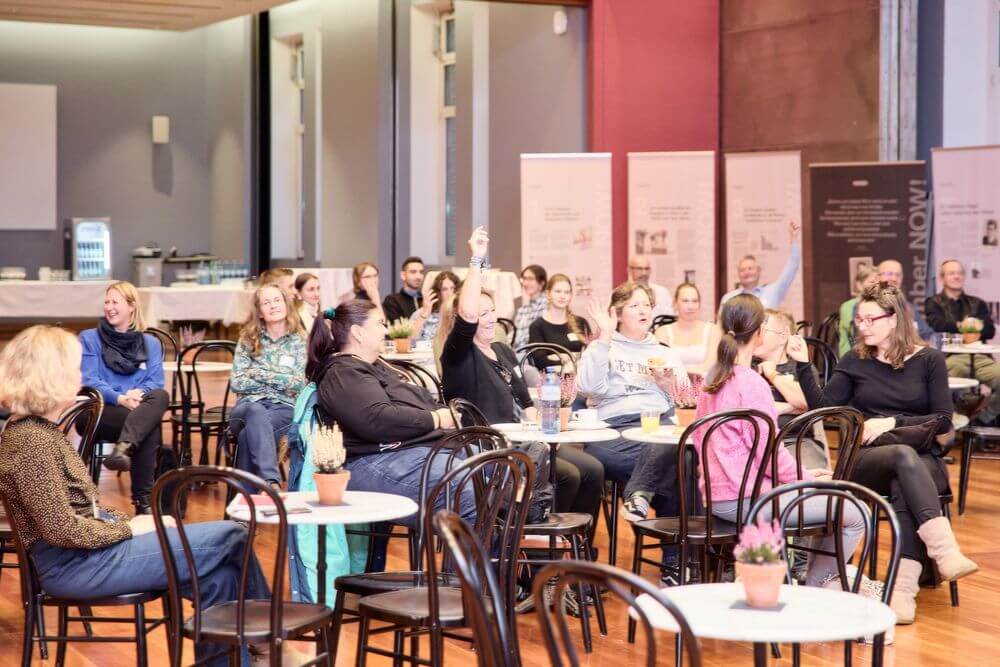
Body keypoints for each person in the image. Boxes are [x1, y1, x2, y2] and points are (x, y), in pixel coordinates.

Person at [0, 325, 270, 667]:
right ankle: (270, 642)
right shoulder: (31, 441)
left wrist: (137, 523)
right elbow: (62, 529)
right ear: (51, 377)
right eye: (75, 367)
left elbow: (82, 514)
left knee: (222, 579)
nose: (81, 375)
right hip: (75, 566)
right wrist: (130, 529)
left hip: (86, 556)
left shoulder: (38, 431)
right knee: (232, 534)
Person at [788, 282, 978, 623]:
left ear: (894, 319)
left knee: (905, 474)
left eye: (870, 319)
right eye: (859, 320)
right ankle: (943, 551)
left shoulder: (929, 360)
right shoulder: (856, 360)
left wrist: (892, 421)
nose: (863, 326)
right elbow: (823, 407)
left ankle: (902, 591)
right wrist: (803, 365)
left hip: (921, 458)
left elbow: (943, 419)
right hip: (866, 459)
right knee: (903, 457)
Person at [695, 295, 864, 589]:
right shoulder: (751, 383)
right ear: (760, 332)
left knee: (830, 497)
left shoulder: (713, 379)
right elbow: (770, 455)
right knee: (855, 511)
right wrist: (808, 478)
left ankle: (813, 581)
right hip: (750, 501)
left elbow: (704, 439)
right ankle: (817, 586)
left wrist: (801, 477)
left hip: (717, 497)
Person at [439, 230, 604, 518]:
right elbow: (467, 313)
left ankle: (574, 541)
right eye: (482, 314)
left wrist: (545, 422)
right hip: (489, 446)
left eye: (492, 311)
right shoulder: (458, 355)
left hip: (525, 437)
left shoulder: (502, 350)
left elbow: (526, 402)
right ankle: (534, 535)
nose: (490, 318)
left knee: (593, 469)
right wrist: (477, 259)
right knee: (569, 475)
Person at [306, 300, 473, 536]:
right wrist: (435, 419)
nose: (386, 330)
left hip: (408, 451)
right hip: (370, 462)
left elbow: (407, 407)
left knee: (502, 467)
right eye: (380, 323)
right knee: (467, 485)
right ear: (358, 333)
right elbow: (378, 419)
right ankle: (482, 559)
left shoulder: (373, 366)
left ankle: (505, 554)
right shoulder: (342, 373)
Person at [576, 282, 689, 526]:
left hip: (657, 424)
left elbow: (686, 399)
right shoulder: (602, 346)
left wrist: (667, 386)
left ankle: (640, 496)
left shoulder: (665, 352)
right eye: (634, 305)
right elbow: (588, 389)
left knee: (678, 454)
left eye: (646, 305)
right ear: (617, 314)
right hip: (613, 431)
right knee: (680, 461)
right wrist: (605, 337)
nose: (643, 310)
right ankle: (682, 548)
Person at [79, 281, 169, 515]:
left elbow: (156, 381)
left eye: (115, 302)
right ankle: (144, 504)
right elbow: (90, 380)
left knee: (161, 396)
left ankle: (123, 448)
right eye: (106, 302)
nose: (109, 307)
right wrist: (120, 398)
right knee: (148, 425)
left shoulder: (150, 343)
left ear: (131, 306)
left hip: (136, 405)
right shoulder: (90, 338)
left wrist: (137, 393)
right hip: (99, 410)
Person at [229, 284, 307, 489]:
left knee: (248, 436)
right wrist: (280, 379)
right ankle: (270, 482)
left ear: (286, 304)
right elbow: (237, 382)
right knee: (255, 411)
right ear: (260, 312)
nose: (273, 306)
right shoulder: (248, 339)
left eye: (277, 300)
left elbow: (297, 383)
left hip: (284, 409)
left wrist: (258, 372)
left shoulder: (299, 340)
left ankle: (246, 502)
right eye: (266, 302)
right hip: (246, 408)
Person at [925, 259, 1000, 426]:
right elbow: (938, 325)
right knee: (939, 383)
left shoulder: (977, 303)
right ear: (942, 278)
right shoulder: (933, 302)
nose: (956, 276)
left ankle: (983, 419)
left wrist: (960, 328)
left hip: (980, 356)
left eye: (959, 273)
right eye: (951, 273)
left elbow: (990, 330)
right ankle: (954, 422)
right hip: (951, 357)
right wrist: (969, 327)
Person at [754, 309, 828, 469]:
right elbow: (750, 409)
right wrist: (789, 407)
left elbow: (808, 402)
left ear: (783, 336)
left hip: (796, 440)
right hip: (754, 443)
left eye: (763, 330)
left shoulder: (801, 368)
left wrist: (773, 375)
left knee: (811, 477)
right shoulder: (749, 366)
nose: (755, 335)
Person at [718, 220, 801, 312]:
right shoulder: (729, 298)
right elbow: (721, 321)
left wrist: (794, 237)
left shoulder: (773, 291)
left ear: (759, 271)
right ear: (738, 274)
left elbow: (792, 267)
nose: (746, 272)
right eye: (742, 270)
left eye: (750, 268)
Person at [655, 282, 719, 377]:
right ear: (675, 304)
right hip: (671, 384)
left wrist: (678, 369)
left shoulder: (713, 330)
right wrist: (694, 370)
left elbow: (710, 366)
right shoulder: (662, 332)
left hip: (704, 384)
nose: (690, 306)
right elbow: (662, 366)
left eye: (695, 301)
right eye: (685, 301)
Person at [528, 273, 592, 365]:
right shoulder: (537, 326)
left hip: (580, 373)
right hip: (554, 374)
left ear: (571, 295)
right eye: (558, 291)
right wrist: (572, 359)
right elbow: (540, 361)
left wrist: (557, 356)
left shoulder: (581, 323)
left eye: (567, 292)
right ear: (548, 294)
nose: (562, 296)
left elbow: (591, 356)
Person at [876, 259, 934, 341]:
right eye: (889, 274)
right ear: (877, 277)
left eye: (898, 275)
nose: (894, 278)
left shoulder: (908, 307)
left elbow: (927, 334)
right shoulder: (867, 306)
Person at [838, 263, 879, 357]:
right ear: (859, 285)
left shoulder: (881, 305)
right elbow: (855, 334)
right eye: (872, 282)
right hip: (853, 355)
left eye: (879, 283)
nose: (877, 286)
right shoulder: (848, 306)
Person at [412, 270, 460, 342]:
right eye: (444, 289)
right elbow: (409, 340)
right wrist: (424, 314)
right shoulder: (420, 313)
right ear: (437, 293)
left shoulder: (462, 313)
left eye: (453, 288)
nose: (450, 293)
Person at [627, 255, 674, 320]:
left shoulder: (662, 292)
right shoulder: (621, 294)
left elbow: (669, 318)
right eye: (639, 269)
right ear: (629, 270)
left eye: (647, 269)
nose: (644, 273)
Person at [513, 264, 548, 349]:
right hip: (517, 352)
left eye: (530, 279)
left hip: (534, 353)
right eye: (524, 279)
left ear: (542, 283)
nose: (525, 283)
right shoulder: (522, 310)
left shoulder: (548, 308)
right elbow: (514, 336)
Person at [382, 256, 425, 323]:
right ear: (403, 275)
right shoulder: (393, 301)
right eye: (413, 272)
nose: (418, 276)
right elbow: (397, 328)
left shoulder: (427, 300)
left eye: (421, 272)